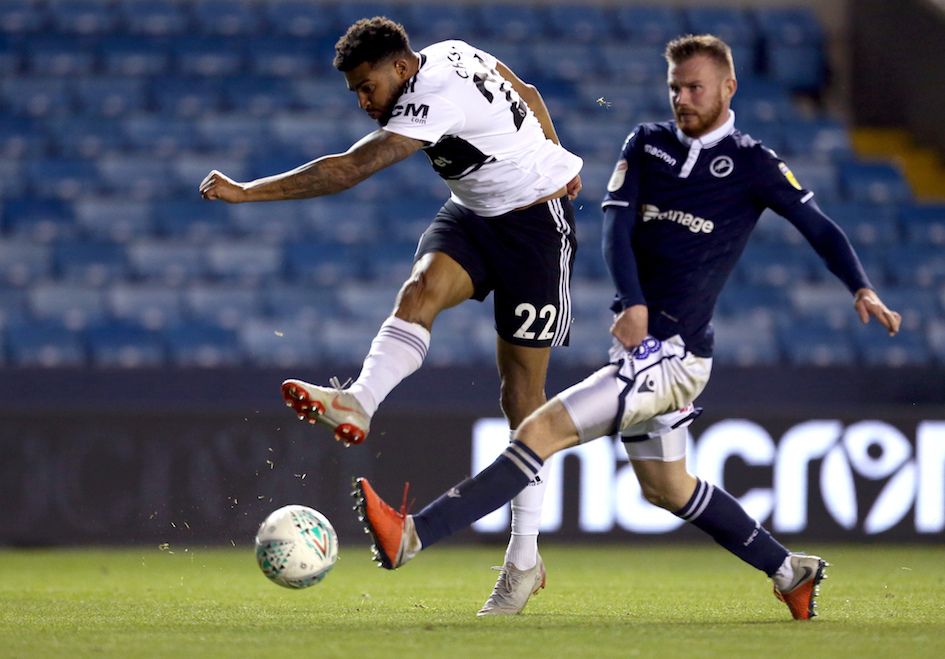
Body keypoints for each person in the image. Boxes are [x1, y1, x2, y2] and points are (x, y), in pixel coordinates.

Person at [352, 34, 903, 621]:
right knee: (667, 488)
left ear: (728, 88)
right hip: (640, 350)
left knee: (538, 430)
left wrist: (860, 285)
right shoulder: (646, 144)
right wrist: (631, 302)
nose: (682, 99)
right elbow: (615, 227)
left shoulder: (753, 163)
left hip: (675, 355)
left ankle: (415, 534)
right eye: (675, 88)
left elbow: (817, 225)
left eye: (695, 88)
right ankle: (791, 571)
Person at [199, 17, 583, 615]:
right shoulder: (450, 51)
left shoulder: (433, 97)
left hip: (536, 227)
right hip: (474, 215)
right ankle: (359, 400)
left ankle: (523, 560)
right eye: (355, 90)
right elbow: (527, 92)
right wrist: (557, 149)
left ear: (402, 68)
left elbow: (349, 169)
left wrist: (248, 191)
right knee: (418, 291)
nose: (363, 101)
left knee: (521, 398)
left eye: (367, 86)